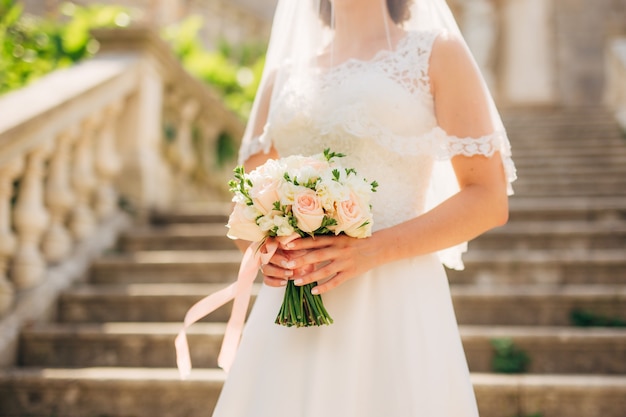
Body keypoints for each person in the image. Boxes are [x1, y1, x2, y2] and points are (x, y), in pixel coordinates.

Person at [212, 0, 517, 415]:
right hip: (293, 308)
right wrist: (268, 252)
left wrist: (371, 249)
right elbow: (246, 203)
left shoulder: (437, 53)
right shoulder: (284, 75)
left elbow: (487, 198)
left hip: (394, 299)